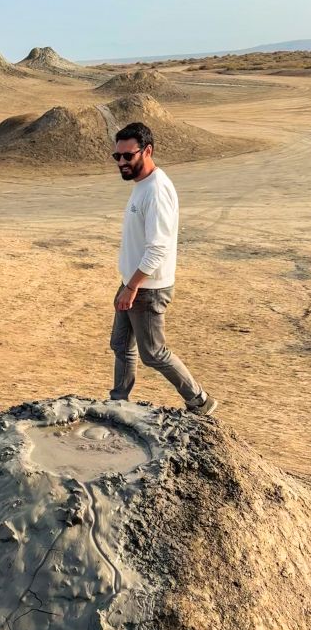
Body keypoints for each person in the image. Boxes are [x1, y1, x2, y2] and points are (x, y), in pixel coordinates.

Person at [109, 121, 217, 415]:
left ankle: (200, 401)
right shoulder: (142, 185)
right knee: (120, 344)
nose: (121, 162)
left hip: (147, 288)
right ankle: (118, 401)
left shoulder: (156, 191)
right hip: (132, 282)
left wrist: (133, 287)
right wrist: (127, 283)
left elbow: (159, 247)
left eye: (128, 156)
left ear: (148, 151)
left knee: (153, 352)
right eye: (116, 156)